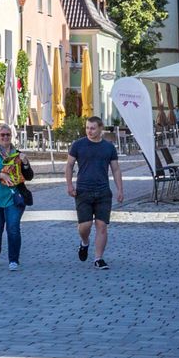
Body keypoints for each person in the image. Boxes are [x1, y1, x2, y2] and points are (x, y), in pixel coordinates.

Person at [66, 115, 124, 270]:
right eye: (87, 128)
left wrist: (120, 189)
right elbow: (69, 165)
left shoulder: (108, 147)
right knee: (85, 226)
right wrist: (70, 185)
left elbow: (116, 169)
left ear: (100, 129)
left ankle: (98, 258)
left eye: (92, 128)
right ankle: (84, 242)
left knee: (102, 225)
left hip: (103, 191)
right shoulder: (78, 145)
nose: (89, 131)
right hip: (83, 191)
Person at [0, 125, 32, 269]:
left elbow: (29, 176)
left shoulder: (18, 154)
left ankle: (13, 260)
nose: (5, 137)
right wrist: (0, 175)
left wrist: (25, 163)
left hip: (13, 198)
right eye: (2, 135)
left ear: (11, 136)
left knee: (13, 228)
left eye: (8, 135)